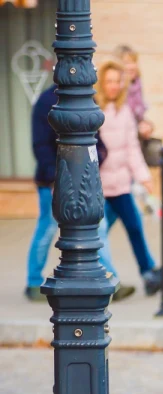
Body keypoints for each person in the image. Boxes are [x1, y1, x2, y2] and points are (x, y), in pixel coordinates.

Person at [25, 87, 127, 302]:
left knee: (97, 227)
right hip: (52, 181)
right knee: (47, 228)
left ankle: (109, 280)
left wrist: (98, 157)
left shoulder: (84, 96)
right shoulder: (46, 101)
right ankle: (33, 282)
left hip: (84, 179)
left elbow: (96, 137)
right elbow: (41, 145)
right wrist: (55, 179)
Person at [96, 60, 162, 295]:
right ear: (102, 84)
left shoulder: (125, 111)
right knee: (97, 236)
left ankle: (148, 273)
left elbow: (133, 149)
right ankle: (105, 279)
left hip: (122, 185)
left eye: (117, 81)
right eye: (109, 81)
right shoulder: (94, 110)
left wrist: (144, 176)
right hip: (100, 188)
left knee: (134, 227)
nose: (113, 86)